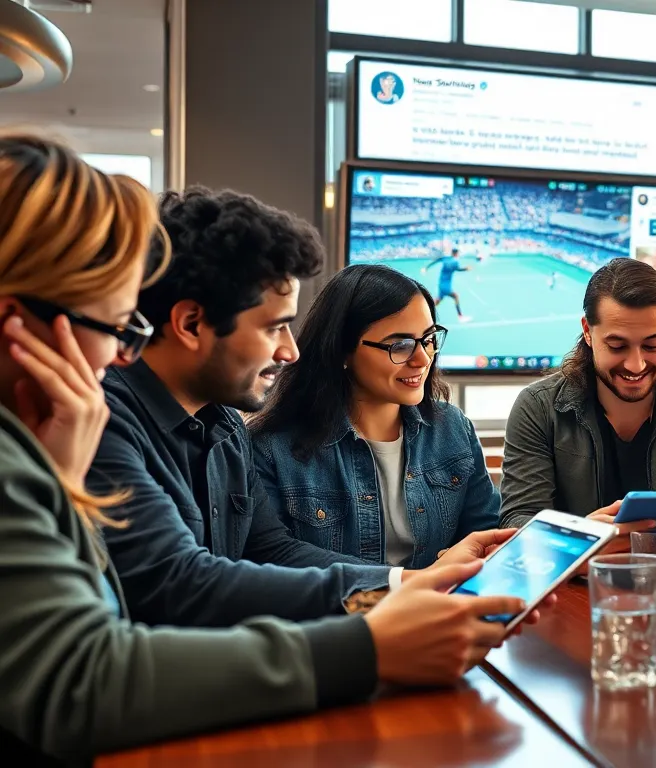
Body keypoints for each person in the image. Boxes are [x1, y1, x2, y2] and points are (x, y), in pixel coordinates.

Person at [0, 133, 536, 764]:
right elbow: (140, 623)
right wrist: (368, 644)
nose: (291, 349)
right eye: (116, 326)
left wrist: (400, 586)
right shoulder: (91, 422)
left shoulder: (215, 425)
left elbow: (263, 554)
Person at [89, 188, 498, 628]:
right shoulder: (101, 423)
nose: (290, 351)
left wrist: (407, 586)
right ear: (191, 324)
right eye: (275, 327)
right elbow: (182, 583)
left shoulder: (224, 424)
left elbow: (272, 551)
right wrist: (378, 629)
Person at [500, 258, 656, 574]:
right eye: (617, 346)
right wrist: (578, 542)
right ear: (587, 332)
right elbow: (517, 520)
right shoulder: (538, 408)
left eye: (652, 345)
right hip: (569, 594)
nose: (636, 365)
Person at [252, 265, 500, 568]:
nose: (422, 358)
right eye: (400, 345)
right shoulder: (271, 449)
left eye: (428, 339)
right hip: (346, 603)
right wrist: (411, 583)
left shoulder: (453, 428)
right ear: (341, 350)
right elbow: (274, 561)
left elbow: (486, 534)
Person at [421, 247, 471, 322]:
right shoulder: (455, 262)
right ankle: (460, 317)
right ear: (456, 254)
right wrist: (466, 269)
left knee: (437, 301)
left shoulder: (445, 258)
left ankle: (423, 312)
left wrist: (426, 268)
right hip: (446, 286)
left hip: (441, 284)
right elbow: (458, 269)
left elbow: (436, 261)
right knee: (456, 296)